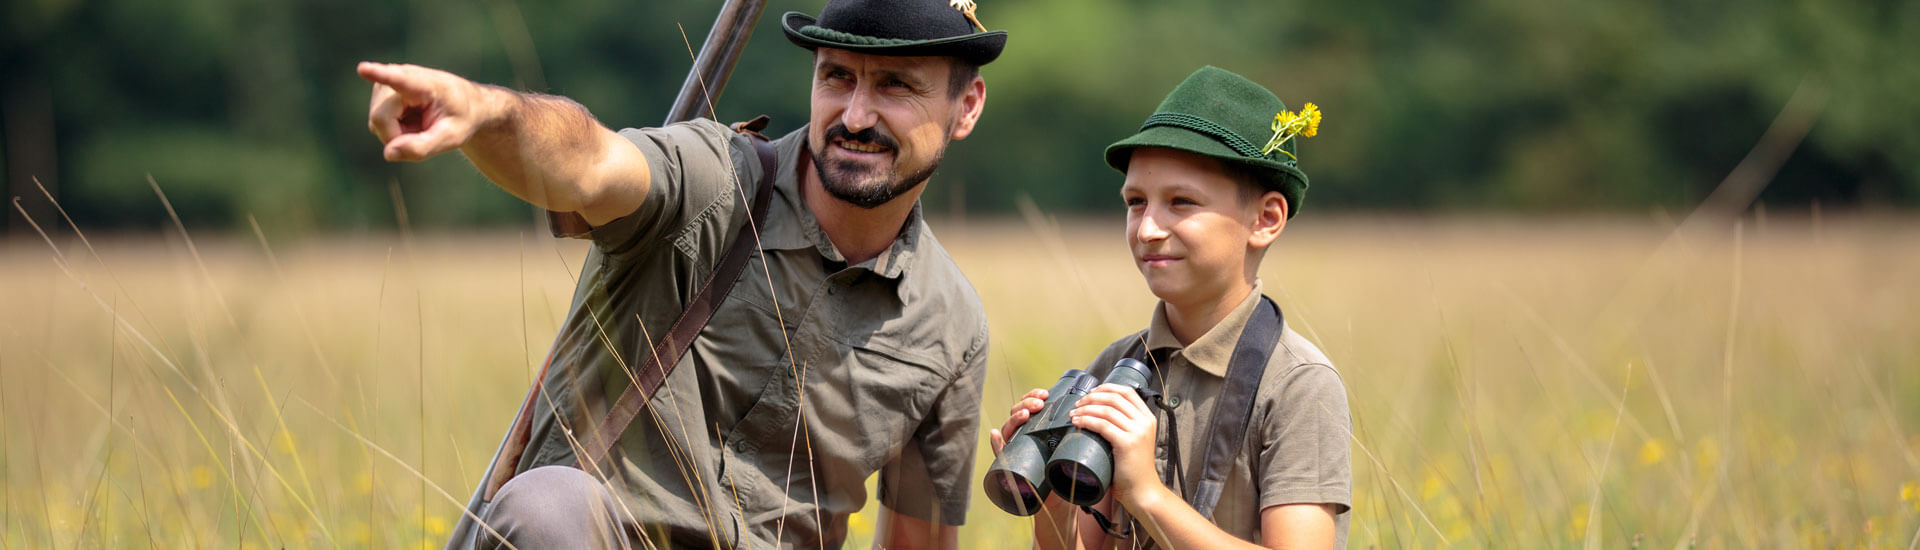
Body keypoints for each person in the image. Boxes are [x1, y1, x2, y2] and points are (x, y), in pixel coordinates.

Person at [357, 0, 1007, 547]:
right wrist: (485, 112)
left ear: (967, 105)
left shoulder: (951, 326)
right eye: (837, 77)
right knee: (546, 509)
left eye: (895, 86)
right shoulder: (713, 179)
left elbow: (915, 542)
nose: (856, 115)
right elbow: (588, 160)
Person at [990, 66, 1352, 549]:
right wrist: (1051, 497)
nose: (1147, 230)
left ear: (1265, 219)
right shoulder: (1115, 368)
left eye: (1181, 202)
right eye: (1135, 202)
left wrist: (1147, 495)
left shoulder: (1298, 386)